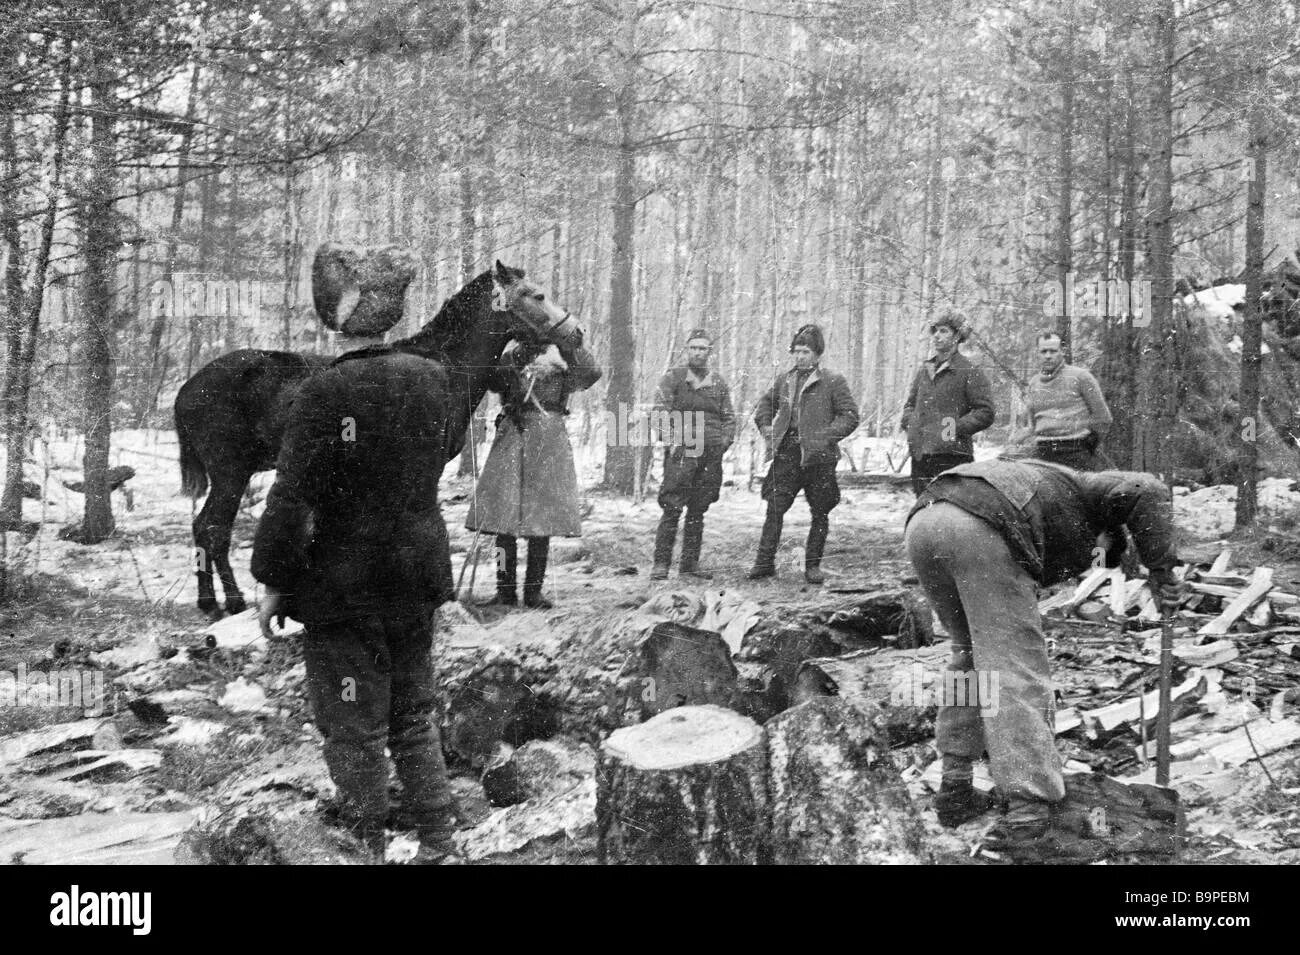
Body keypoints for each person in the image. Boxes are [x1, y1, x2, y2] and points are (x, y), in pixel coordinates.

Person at [252, 295, 457, 862]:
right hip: (415, 573)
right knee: (413, 712)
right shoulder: (433, 379)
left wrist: (273, 579)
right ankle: (439, 841)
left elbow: (292, 496)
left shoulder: (324, 390)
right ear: (391, 317)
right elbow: (443, 453)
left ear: (333, 319)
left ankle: (366, 845)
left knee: (352, 722)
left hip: (345, 582)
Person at [904, 455, 1184, 845]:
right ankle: (1028, 810)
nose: (1092, 560)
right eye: (1099, 553)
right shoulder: (1090, 491)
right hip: (981, 525)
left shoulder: (1053, 490)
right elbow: (1146, 488)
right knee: (1014, 665)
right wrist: (1162, 568)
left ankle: (955, 786)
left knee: (968, 654)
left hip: (926, 520)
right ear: (1107, 529)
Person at [465, 327, 600, 609]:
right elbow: (493, 381)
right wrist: (511, 354)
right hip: (513, 434)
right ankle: (505, 591)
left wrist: (573, 345)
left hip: (547, 437)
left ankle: (533, 592)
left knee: (542, 522)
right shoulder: (512, 357)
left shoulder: (564, 360)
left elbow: (591, 373)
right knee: (502, 520)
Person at [749, 323, 859, 585]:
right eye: (796, 351)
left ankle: (812, 566)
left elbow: (851, 415)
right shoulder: (785, 380)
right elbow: (765, 404)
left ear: (817, 354)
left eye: (806, 352)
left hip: (819, 458)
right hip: (787, 452)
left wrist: (825, 437)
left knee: (820, 510)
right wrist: (767, 429)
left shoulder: (833, 381)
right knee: (774, 508)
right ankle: (764, 564)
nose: (800, 357)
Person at [650, 329, 736, 580]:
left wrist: (722, 443)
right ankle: (661, 565)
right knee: (672, 507)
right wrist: (671, 440)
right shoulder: (674, 378)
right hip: (683, 451)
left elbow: (729, 417)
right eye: (693, 348)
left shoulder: (718, 382)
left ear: (710, 352)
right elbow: (659, 412)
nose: (698, 353)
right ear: (687, 350)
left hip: (710, 453)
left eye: (703, 348)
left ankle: (689, 566)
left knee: (698, 509)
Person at [900, 308, 996, 495]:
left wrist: (951, 429)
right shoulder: (924, 370)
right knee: (924, 512)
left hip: (952, 456)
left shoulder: (969, 371)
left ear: (957, 336)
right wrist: (911, 424)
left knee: (951, 514)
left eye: (944, 331)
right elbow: (910, 404)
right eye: (935, 330)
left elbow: (985, 411)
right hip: (921, 455)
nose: (936, 336)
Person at [1025, 331, 1114, 471]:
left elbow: (1103, 418)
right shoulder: (1033, 383)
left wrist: (1089, 444)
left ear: (1063, 351)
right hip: (1043, 452)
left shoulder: (1081, 377)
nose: (1048, 356)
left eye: (1053, 351)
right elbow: (1033, 424)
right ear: (1037, 353)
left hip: (1075, 451)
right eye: (1043, 351)